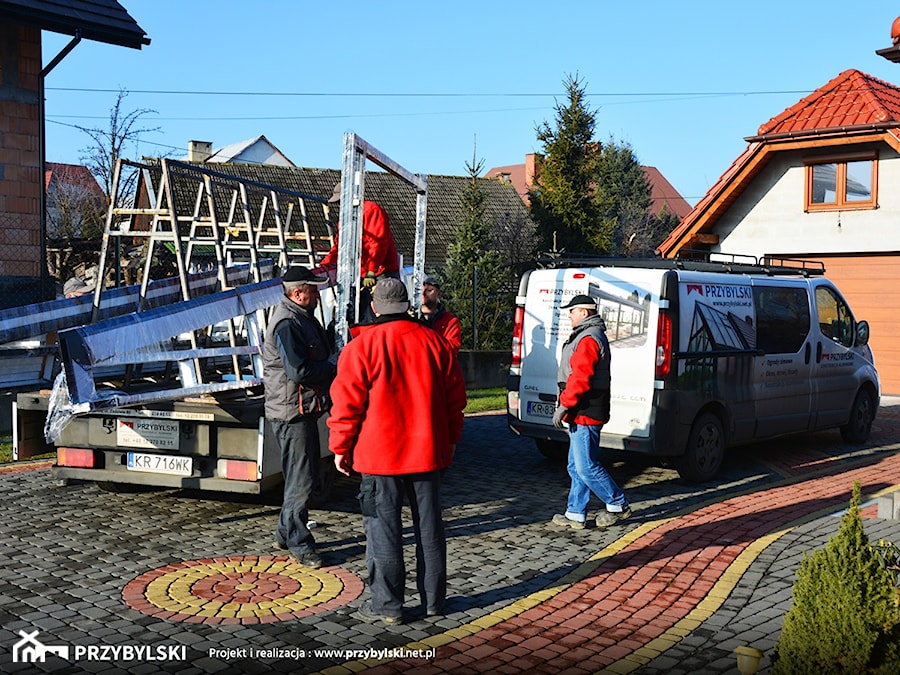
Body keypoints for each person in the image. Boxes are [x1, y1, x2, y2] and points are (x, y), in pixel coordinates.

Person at [329, 278, 466, 624]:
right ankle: (434, 601)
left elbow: (346, 406)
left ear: (374, 307)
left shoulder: (360, 348)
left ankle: (389, 606)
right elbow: (456, 401)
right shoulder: (436, 343)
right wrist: (450, 440)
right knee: (430, 530)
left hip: (379, 457)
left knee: (383, 531)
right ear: (407, 304)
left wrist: (340, 447)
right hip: (427, 453)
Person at [262, 265, 337, 568]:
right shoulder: (287, 323)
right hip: (292, 413)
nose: (318, 293)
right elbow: (299, 371)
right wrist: (335, 366)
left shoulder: (303, 317)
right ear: (298, 293)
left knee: (299, 476)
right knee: (302, 480)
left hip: (301, 409)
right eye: (314, 289)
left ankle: (285, 530)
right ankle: (298, 541)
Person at [551, 294, 630, 530]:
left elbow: (580, 379)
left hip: (585, 410)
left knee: (586, 466)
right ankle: (576, 512)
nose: (569, 315)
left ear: (584, 313)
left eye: (572, 311)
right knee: (576, 466)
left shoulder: (587, 339)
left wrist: (564, 405)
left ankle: (618, 504)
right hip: (583, 410)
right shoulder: (589, 336)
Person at [318, 182, 400, 323]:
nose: (339, 206)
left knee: (383, 316)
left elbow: (378, 243)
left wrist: (371, 271)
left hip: (381, 274)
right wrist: (324, 266)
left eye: (340, 201)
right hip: (362, 275)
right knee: (362, 316)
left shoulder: (371, 210)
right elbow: (339, 246)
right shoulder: (345, 219)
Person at [419, 276, 462, 355]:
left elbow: (452, 347)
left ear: (438, 294)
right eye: (421, 290)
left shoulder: (450, 321)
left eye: (429, 290)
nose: (424, 293)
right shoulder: (412, 318)